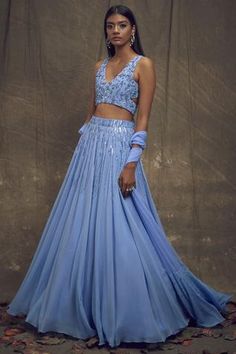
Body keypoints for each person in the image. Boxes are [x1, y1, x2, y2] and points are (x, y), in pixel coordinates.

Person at [7, 4, 233, 349]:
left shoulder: (144, 66)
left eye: (122, 25)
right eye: (110, 25)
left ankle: (130, 308)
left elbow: (142, 119)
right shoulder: (98, 67)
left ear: (133, 30)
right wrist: (83, 148)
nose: (115, 30)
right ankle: (82, 307)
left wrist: (130, 162)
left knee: (123, 223)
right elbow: (91, 110)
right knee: (82, 224)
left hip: (119, 145)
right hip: (91, 147)